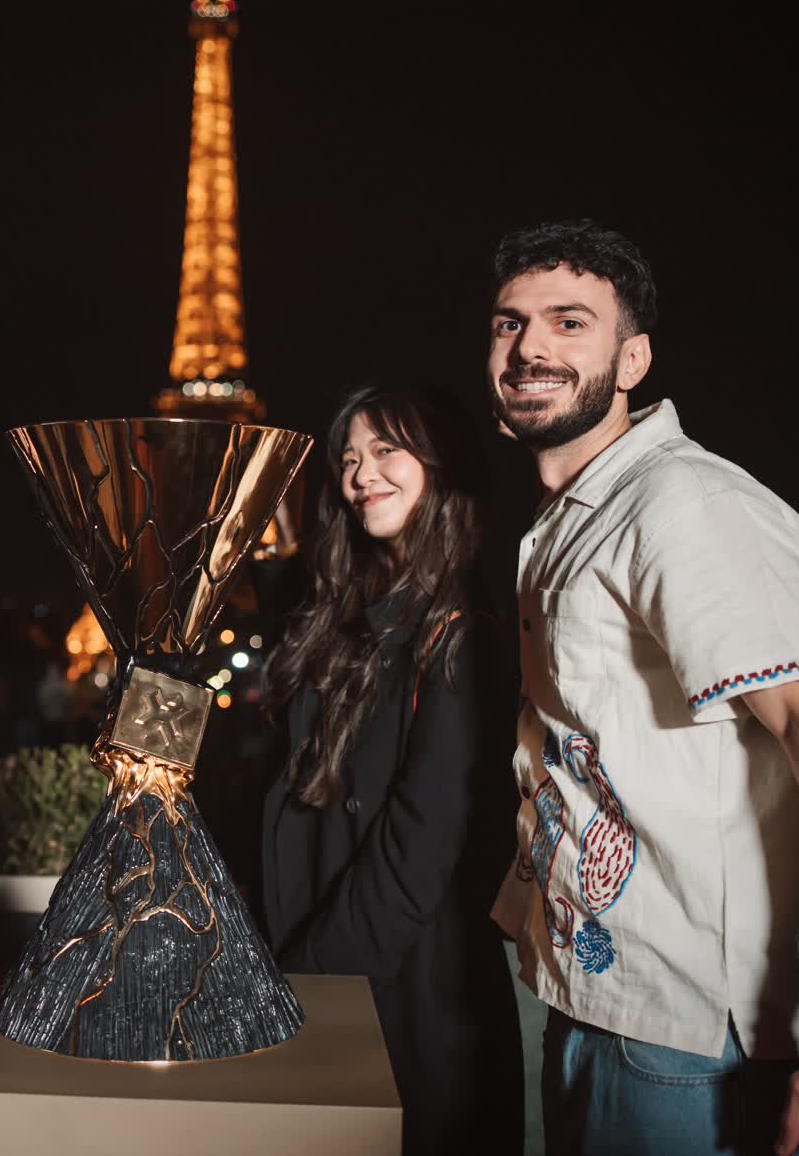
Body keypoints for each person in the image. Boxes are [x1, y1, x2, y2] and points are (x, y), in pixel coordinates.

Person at [484, 221, 799, 1156]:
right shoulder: (577, 516)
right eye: (509, 323)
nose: (529, 346)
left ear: (634, 358)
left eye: (570, 322)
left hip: (689, 1041)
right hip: (605, 1004)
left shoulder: (686, 504)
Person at [260, 384, 524, 1155]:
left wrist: (310, 982)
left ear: (441, 463)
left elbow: (419, 846)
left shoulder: (461, 635)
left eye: (385, 450)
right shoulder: (362, 617)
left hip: (407, 991)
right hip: (339, 965)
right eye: (348, 459)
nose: (360, 474)